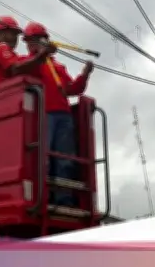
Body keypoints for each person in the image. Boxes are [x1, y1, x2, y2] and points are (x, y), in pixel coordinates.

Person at [22, 22, 94, 208]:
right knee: (44, 158)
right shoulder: (28, 63)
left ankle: (64, 200)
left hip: (63, 115)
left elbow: (72, 89)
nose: (31, 44)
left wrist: (84, 75)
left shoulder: (57, 66)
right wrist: (42, 55)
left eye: (36, 40)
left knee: (65, 159)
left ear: (45, 40)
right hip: (42, 115)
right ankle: (45, 199)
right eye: (29, 41)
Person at [0, 16, 56, 89]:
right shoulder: (2, 47)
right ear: (0, 34)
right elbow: (16, 69)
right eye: (13, 33)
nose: (15, 38)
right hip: (7, 95)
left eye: (16, 35)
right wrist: (42, 56)